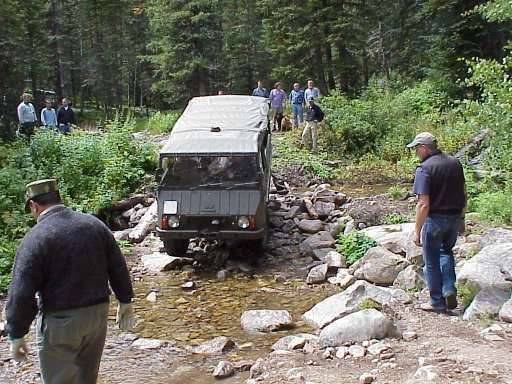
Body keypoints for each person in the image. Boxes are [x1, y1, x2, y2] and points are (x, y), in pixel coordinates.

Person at [5, 179, 135, 383]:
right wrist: (125, 300)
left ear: (33, 205)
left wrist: (17, 332)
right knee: (87, 379)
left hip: (60, 322)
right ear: (59, 198)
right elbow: (117, 266)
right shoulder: (94, 225)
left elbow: (21, 292)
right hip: (97, 315)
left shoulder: (36, 238)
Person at [407, 132, 466, 314]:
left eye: (416, 148)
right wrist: (462, 218)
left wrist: (417, 230)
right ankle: (449, 288)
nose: (416, 152)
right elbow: (464, 194)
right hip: (454, 217)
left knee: (431, 261)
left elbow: (423, 204)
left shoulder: (424, 169)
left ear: (424, 148)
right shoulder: (454, 163)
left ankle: (436, 302)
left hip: (435, 220)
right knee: (446, 252)